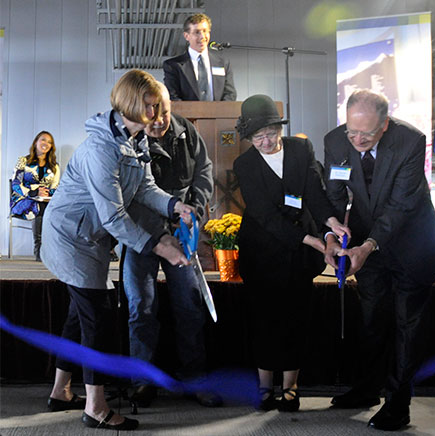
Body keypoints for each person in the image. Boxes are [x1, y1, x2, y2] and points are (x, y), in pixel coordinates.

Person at [41, 69, 193, 431]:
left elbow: (145, 188)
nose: (158, 116)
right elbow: (114, 216)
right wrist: (159, 245)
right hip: (70, 239)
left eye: (158, 107)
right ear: (131, 104)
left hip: (89, 240)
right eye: (152, 107)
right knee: (96, 320)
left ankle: (60, 391)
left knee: (79, 318)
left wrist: (175, 206)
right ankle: (95, 407)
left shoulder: (133, 138)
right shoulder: (101, 148)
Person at [324, 89, 435, 431]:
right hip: (367, 245)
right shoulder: (336, 141)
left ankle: (398, 404)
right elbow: (334, 193)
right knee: (372, 319)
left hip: (412, 245)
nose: (357, 140)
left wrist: (368, 246)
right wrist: (333, 234)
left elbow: (399, 208)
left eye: (367, 133)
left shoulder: (409, 141)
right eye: (352, 131)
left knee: (406, 326)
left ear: (385, 124)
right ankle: (367, 389)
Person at [233, 94, 347, 413]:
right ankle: (264, 386)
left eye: (270, 133)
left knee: (296, 318)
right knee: (265, 320)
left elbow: (315, 192)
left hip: (299, 256)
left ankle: (291, 387)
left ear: (279, 128)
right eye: (258, 137)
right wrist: (311, 240)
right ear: (249, 137)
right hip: (263, 251)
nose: (266, 141)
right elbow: (265, 215)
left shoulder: (300, 149)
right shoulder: (245, 165)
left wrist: (331, 223)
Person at [122, 82, 220, 407]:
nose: (160, 119)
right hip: (142, 231)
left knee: (190, 305)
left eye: (164, 110)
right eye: (152, 112)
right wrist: (158, 235)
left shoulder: (186, 133)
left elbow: (204, 172)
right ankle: (143, 382)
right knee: (142, 308)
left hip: (181, 226)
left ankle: (195, 379)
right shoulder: (129, 141)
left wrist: (194, 206)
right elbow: (134, 196)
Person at [163, 13, 236, 101]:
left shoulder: (223, 64)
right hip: (186, 114)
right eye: (197, 32)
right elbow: (173, 96)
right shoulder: (173, 65)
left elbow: (230, 94)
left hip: (219, 114)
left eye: (205, 31)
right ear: (186, 36)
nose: (202, 36)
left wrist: (220, 113)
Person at [10, 131, 60, 261]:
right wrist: (34, 192)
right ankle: (40, 248)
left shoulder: (55, 166)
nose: (46, 144)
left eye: (49, 142)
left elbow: (56, 188)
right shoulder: (23, 161)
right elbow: (15, 185)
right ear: (36, 142)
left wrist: (47, 193)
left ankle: (52, 248)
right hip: (22, 200)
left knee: (58, 208)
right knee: (39, 205)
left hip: (45, 201)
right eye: (43, 140)